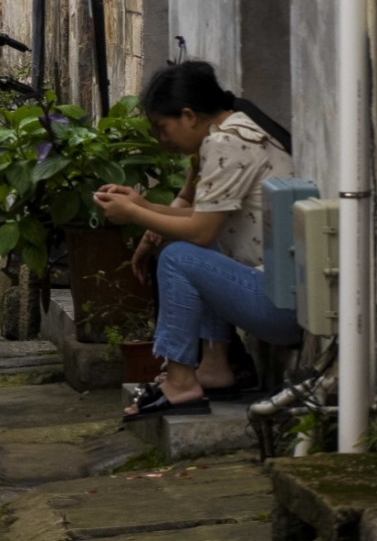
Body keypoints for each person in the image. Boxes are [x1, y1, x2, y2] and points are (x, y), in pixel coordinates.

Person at [93, 59, 299, 420]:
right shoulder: (236, 132)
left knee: (178, 256)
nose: (161, 139)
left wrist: (134, 214)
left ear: (188, 115)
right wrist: (142, 205)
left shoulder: (226, 143)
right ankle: (214, 368)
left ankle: (181, 382)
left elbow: (200, 231)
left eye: (162, 127)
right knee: (194, 247)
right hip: (285, 296)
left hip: (283, 308)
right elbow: (203, 219)